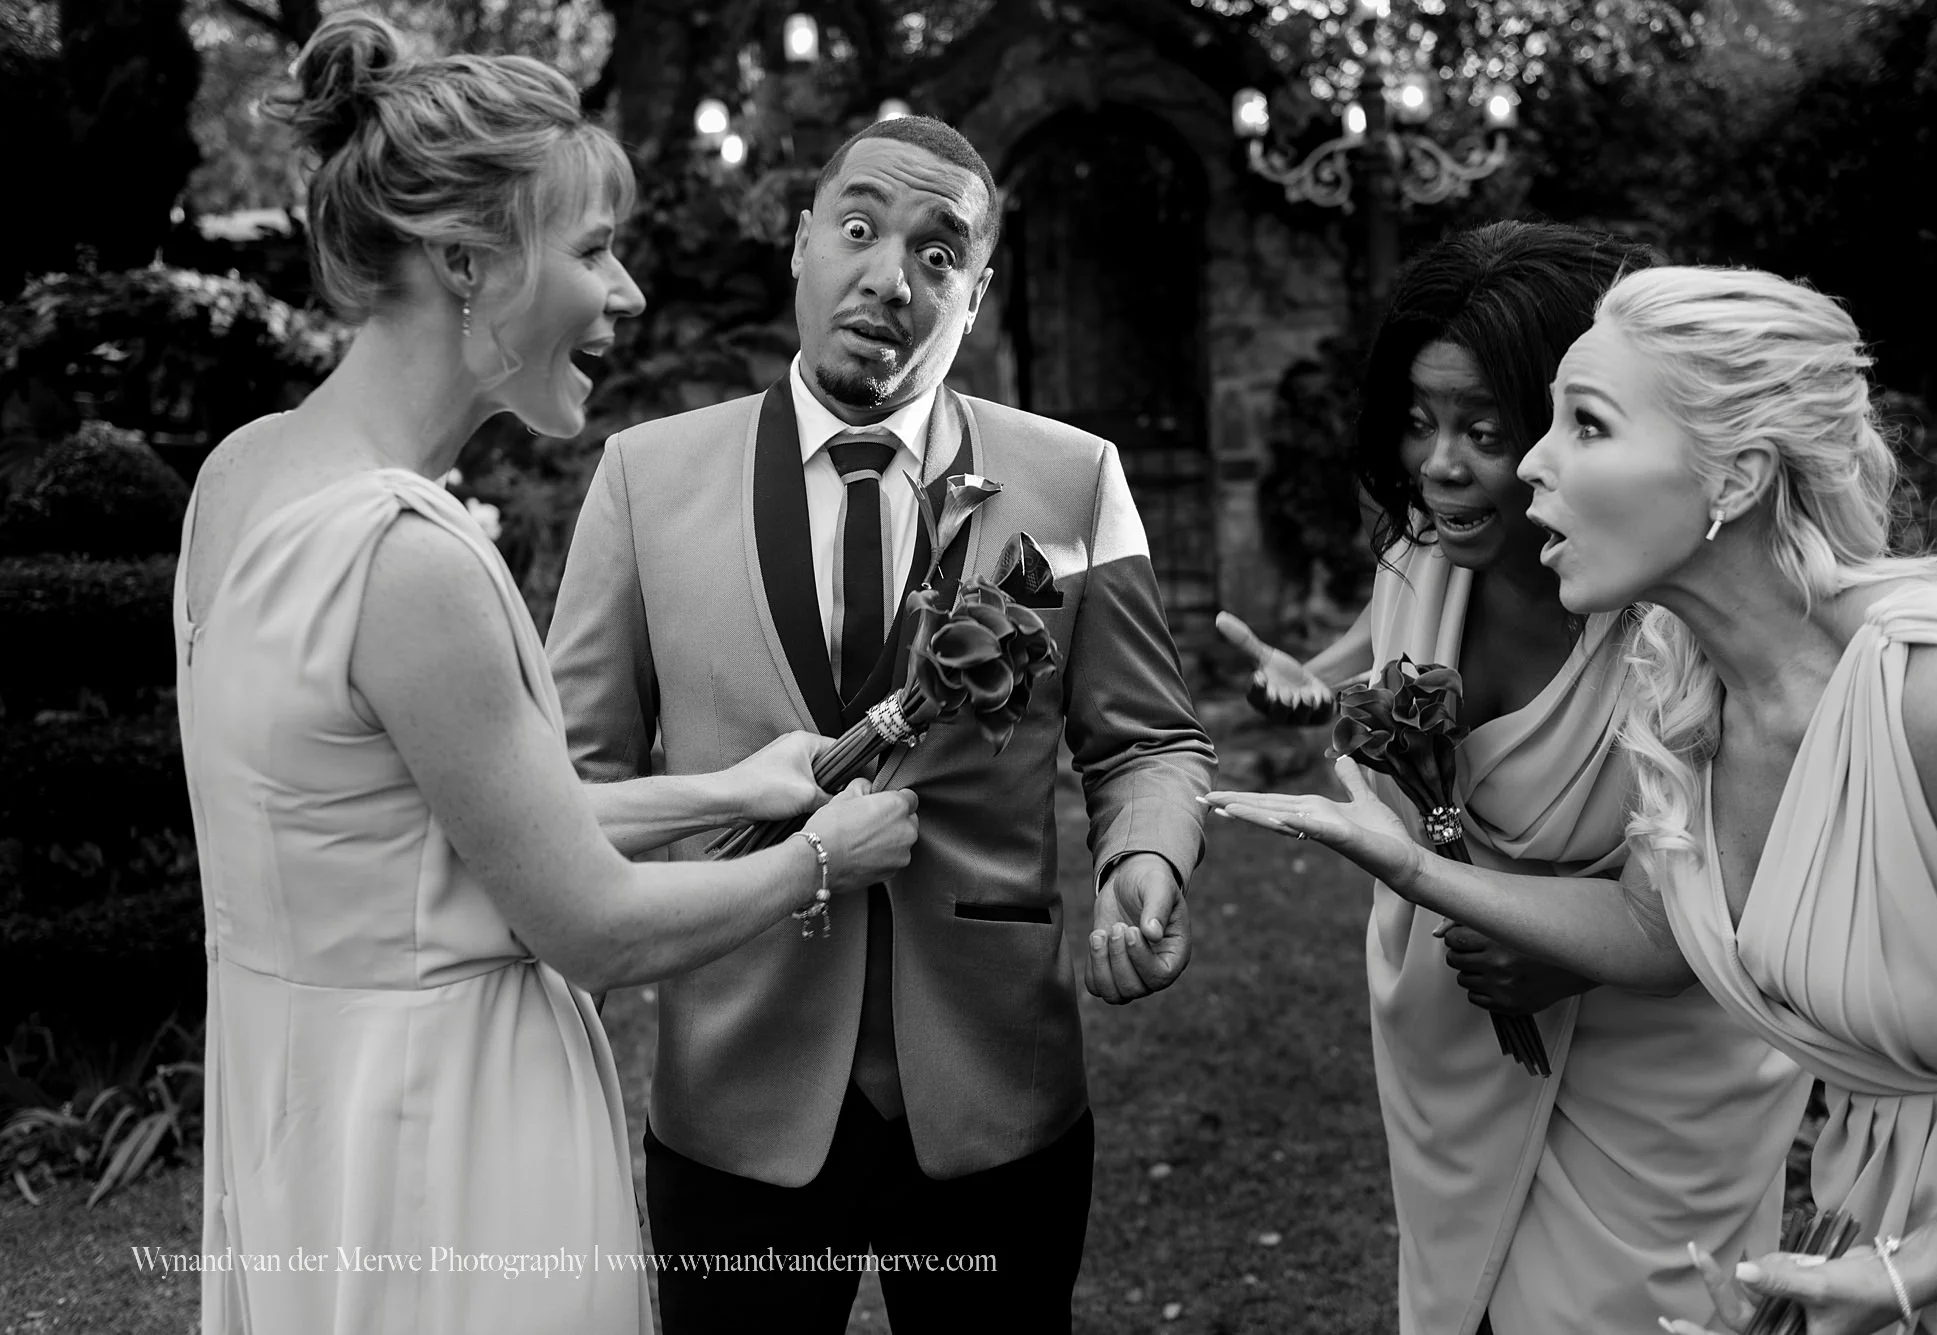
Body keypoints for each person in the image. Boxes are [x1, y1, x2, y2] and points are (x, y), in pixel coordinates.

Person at [176, 14, 918, 1333]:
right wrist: (822, 856)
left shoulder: (243, 473)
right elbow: (593, 925)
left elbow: (427, 841)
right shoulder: (410, 562)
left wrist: (728, 789)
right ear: (465, 262)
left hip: (305, 1115)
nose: (625, 292)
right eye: (590, 251)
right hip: (447, 1147)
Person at [1208, 264, 1937, 1334]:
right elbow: (1646, 922)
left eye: (1582, 424)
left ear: (1735, 477)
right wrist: (1410, 865)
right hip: (1860, 1217)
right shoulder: (1688, 678)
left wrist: (1909, 1275)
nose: (1530, 461)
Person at [545, 113, 1216, 1333]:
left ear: (977, 295)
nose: (889, 278)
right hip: (734, 1086)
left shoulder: (1073, 478)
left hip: (994, 1089)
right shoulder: (644, 478)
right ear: (801, 243)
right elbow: (575, 786)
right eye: (857, 229)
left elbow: (1145, 742)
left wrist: (1147, 861)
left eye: (936, 253)